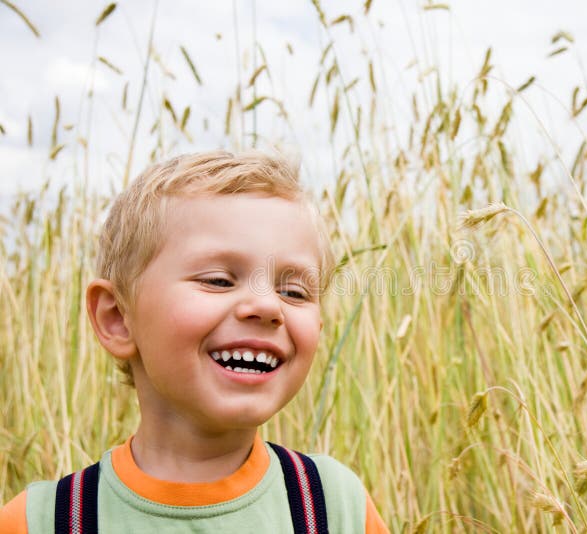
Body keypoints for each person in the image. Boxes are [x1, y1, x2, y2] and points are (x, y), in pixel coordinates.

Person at [0, 150, 389, 533]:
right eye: (218, 280)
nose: (269, 306)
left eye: (294, 291)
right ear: (117, 318)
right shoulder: (42, 521)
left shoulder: (332, 506)